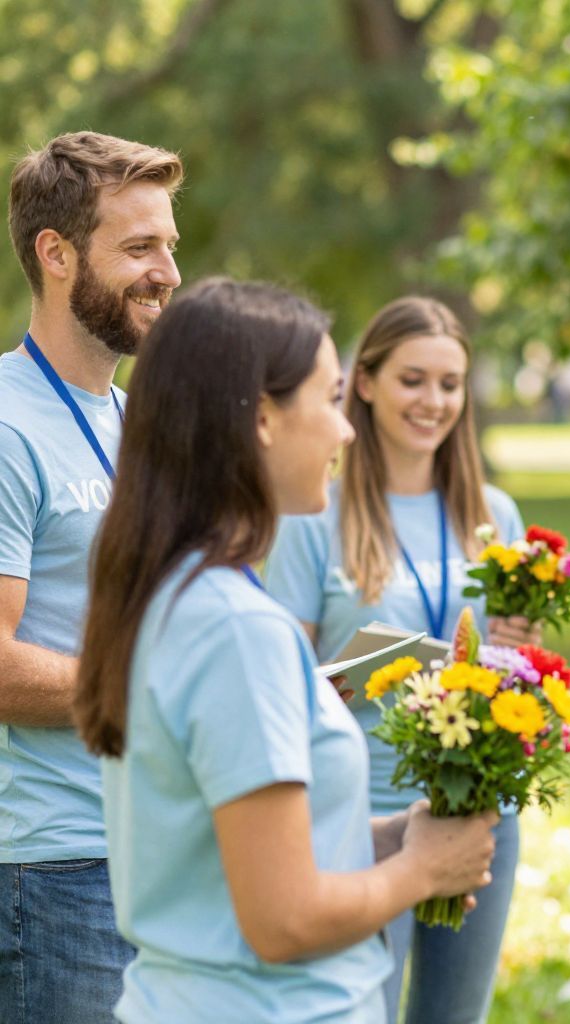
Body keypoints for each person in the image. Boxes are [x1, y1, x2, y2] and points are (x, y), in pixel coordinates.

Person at [74, 278, 499, 1024]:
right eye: (331, 399)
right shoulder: (237, 629)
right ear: (263, 419)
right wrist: (422, 870)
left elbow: (230, 850)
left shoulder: (177, 591)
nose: (345, 431)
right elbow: (284, 921)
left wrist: (388, 838)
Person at [264, 295, 528, 1023]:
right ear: (367, 382)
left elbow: (513, 676)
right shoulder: (315, 514)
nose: (432, 402)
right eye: (413, 380)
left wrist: (516, 652)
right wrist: (371, 667)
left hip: (479, 810)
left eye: (450, 384)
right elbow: (283, 687)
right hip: (365, 813)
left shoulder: (493, 514)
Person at [0, 131, 182, 1023]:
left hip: (152, 848)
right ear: (57, 253)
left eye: (171, 246)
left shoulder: (138, 420)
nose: (168, 274)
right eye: (140, 247)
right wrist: (162, 693)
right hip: (51, 872)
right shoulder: (6, 425)